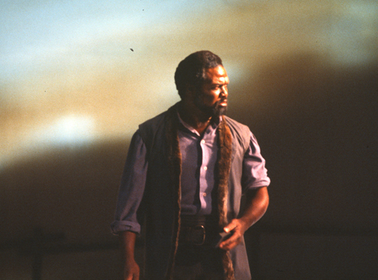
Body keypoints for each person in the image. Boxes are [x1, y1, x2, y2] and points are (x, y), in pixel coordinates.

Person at [111, 50, 270, 280]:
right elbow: (129, 209)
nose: (224, 93)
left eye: (226, 85)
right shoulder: (150, 135)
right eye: (216, 87)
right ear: (190, 90)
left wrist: (244, 223)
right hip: (171, 256)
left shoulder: (241, 135)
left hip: (223, 253)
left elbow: (260, 193)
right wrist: (128, 260)